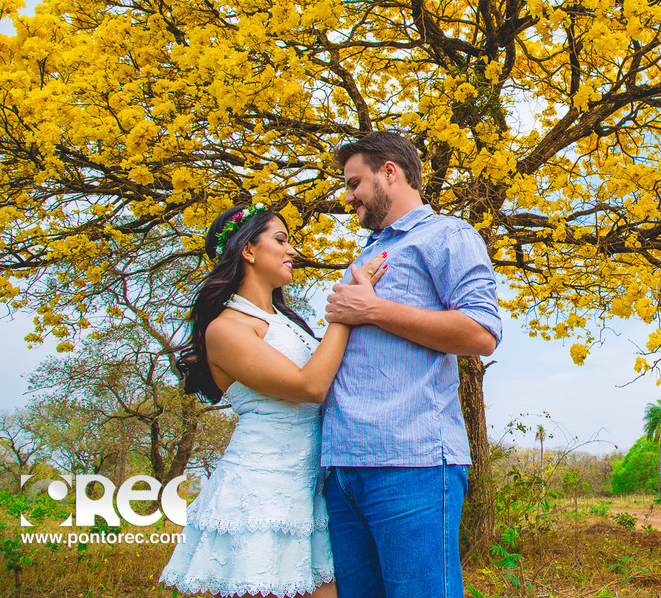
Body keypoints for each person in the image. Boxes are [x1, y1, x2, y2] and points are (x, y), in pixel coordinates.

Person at [160, 203, 386, 598]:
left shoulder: (286, 321)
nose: (292, 250)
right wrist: (346, 309)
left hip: (306, 488)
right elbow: (309, 386)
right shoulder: (226, 329)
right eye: (280, 240)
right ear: (248, 250)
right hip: (260, 491)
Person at [322, 131, 503, 598]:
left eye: (354, 183)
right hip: (343, 465)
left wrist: (373, 310)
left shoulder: (448, 234)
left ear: (390, 172)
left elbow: (482, 332)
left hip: (410, 462)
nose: (348, 198)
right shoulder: (367, 253)